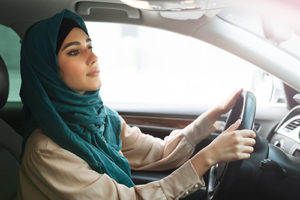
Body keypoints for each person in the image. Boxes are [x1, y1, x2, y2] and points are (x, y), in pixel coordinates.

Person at [17, 9, 256, 200]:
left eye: (89, 46)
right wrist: (208, 157)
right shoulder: (47, 151)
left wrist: (211, 116)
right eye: (73, 52)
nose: (93, 57)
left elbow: (160, 152)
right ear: (47, 71)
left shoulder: (102, 117)